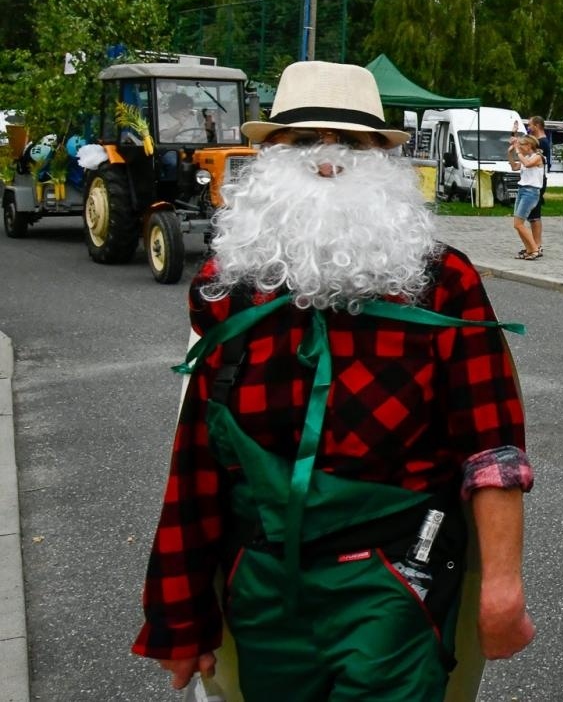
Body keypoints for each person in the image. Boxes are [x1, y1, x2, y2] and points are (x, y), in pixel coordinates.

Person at [132, 61, 535, 701]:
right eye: (304, 142)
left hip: (396, 583)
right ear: (270, 156)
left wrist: (502, 587)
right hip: (261, 585)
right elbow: (200, 455)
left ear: (383, 157)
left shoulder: (443, 282)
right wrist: (179, 613)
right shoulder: (229, 285)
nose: (328, 160)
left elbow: (492, 448)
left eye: (351, 143)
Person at [509, 134, 544, 259]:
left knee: (519, 224)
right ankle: (529, 249)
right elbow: (514, 167)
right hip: (522, 190)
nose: (520, 147)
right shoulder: (526, 157)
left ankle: (534, 250)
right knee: (517, 224)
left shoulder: (538, 157)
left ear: (529, 145)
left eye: (522, 145)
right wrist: (511, 153)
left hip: (531, 192)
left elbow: (528, 164)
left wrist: (518, 152)